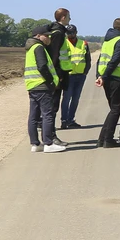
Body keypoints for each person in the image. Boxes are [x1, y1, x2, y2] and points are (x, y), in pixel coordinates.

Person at [25, 24, 66, 153]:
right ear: (38, 36)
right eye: (46, 36)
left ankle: (35, 144)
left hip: (32, 85)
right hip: (42, 85)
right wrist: (50, 83)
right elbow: (42, 66)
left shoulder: (30, 48)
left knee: (33, 116)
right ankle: (48, 143)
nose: (49, 38)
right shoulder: (38, 48)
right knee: (47, 114)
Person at [95, 18, 120, 148]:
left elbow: (100, 59)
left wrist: (99, 75)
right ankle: (108, 139)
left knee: (113, 109)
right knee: (116, 108)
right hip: (116, 77)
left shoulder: (108, 40)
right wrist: (104, 76)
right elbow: (114, 61)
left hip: (107, 77)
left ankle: (102, 138)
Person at [45, 8, 72, 147]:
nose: (70, 19)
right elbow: (54, 55)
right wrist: (57, 76)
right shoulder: (58, 33)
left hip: (59, 73)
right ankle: (51, 138)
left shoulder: (58, 32)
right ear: (62, 17)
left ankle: (50, 137)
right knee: (52, 107)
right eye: (68, 16)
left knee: (53, 107)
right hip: (57, 74)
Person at [60, 24, 90, 129]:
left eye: (72, 32)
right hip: (69, 75)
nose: (71, 34)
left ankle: (71, 120)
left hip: (80, 75)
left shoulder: (84, 43)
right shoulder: (64, 43)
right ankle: (64, 120)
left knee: (76, 99)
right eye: (69, 33)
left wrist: (85, 72)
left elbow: (88, 59)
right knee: (66, 99)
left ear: (76, 32)